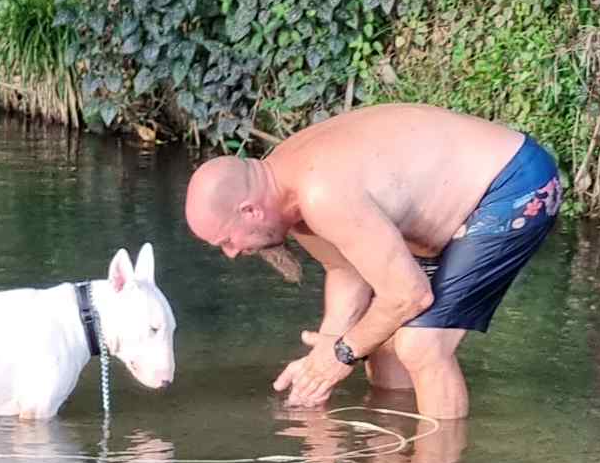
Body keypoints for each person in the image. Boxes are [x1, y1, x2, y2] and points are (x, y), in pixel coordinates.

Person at [183, 103, 563, 419]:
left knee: (421, 345)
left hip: (514, 183)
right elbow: (347, 270)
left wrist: (341, 355)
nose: (231, 253)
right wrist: (325, 355)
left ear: (249, 210)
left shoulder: (321, 194)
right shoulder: (284, 192)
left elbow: (408, 296)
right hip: (445, 215)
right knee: (380, 345)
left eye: (226, 240)